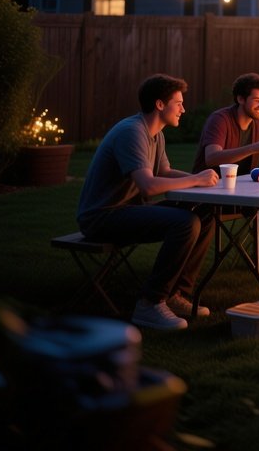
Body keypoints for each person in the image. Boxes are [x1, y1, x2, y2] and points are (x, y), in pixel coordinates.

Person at [77, 74, 219, 331]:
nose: (183, 109)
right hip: (102, 216)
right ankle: (150, 303)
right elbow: (150, 185)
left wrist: (206, 182)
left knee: (205, 211)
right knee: (185, 223)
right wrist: (196, 179)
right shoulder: (132, 132)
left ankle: (176, 294)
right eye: (178, 103)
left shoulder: (155, 133)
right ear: (160, 104)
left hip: (128, 210)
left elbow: (164, 172)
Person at [192, 72, 259, 276]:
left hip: (245, 192)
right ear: (240, 99)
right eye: (257, 100)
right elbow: (211, 158)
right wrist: (254, 147)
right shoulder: (220, 119)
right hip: (212, 194)